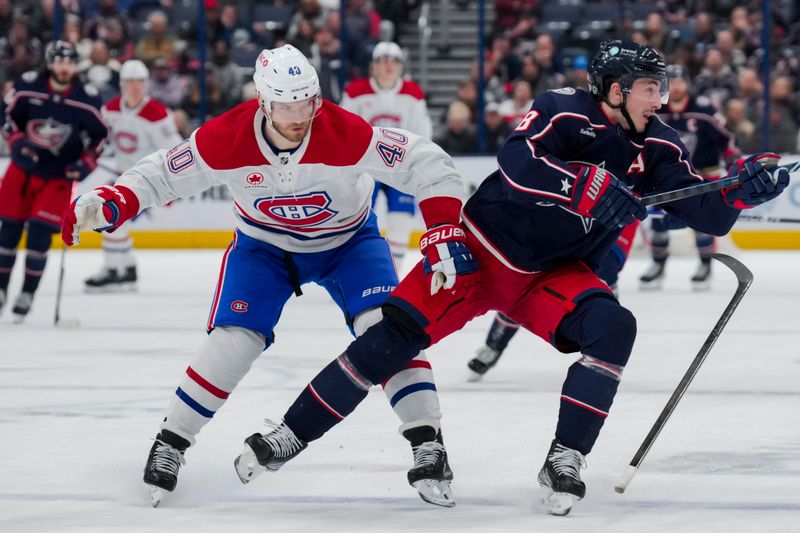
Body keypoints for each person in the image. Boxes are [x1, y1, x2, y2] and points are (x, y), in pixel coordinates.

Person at [221, 40, 788, 516]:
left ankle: (566, 458)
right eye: (649, 87)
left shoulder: (660, 144)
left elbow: (707, 211)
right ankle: (290, 433)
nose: (659, 97)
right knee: (385, 344)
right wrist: (578, 183)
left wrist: (742, 188)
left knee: (614, 328)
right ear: (615, 88)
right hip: (478, 253)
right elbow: (517, 162)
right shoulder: (563, 109)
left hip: (551, 276)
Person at [61, 44, 464, 508]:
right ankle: (171, 442)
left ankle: (427, 442)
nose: (299, 116)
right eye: (286, 105)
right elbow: (161, 175)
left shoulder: (345, 131)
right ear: (263, 102)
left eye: (306, 103)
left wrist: (443, 228)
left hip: (349, 244)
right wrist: (116, 199)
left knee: (387, 329)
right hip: (265, 248)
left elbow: (426, 162)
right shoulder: (226, 137)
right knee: (234, 339)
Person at [0, 40, 107, 320]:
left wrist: (85, 163)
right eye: (59, 61)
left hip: (58, 178)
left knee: (38, 235)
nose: (64, 67)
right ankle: (0, 289)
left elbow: (101, 136)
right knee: (7, 233)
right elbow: (6, 115)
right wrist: (17, 141)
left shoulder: (87, 97)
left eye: (69, 62)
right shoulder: (27, 85)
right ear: (49, 63)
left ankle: (27, 293)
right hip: (22, 172)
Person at [467, 221, 639, 381]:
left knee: (605, 273)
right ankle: (494, 345)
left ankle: (606, 349)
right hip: (575, 224)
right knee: (528, 279)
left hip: (616, 226)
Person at [84, 59, 183, 292]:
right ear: (121, 84)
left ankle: (114, 270)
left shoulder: (157, 114)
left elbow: (175, 151)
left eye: (139, 81)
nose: (135, 86)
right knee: (108, 216)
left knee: (109, 217)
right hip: (123, 177)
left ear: (146, 84)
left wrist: (172, 185)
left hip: (149, 182)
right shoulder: (112, 109)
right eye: (130, 81)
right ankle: (126, 269)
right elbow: (99, 136)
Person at [640, 64, 740, 290]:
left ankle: (705, 265)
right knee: (658, 224)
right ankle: (658, 264)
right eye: (672, 82)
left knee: (703, 223)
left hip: (703, 176)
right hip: (666, 178)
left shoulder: (703, 109)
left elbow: (727, 139)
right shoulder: (655, 109)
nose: (677, 87)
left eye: (681, 81)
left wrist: (734, 162)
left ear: (688, 83)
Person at [339, 41, 433, 263]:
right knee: (357, 222)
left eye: (393, 61)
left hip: (400, 169)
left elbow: (423, 131)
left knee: (401, 222)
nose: (388, 65)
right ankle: (358, 272)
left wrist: (418, 162)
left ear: (400, 66)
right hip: (365, 168)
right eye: (383, 60)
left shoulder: (413, 94)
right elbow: (344, 128)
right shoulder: (355, 92)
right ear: (374, 65)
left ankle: (393, 280)